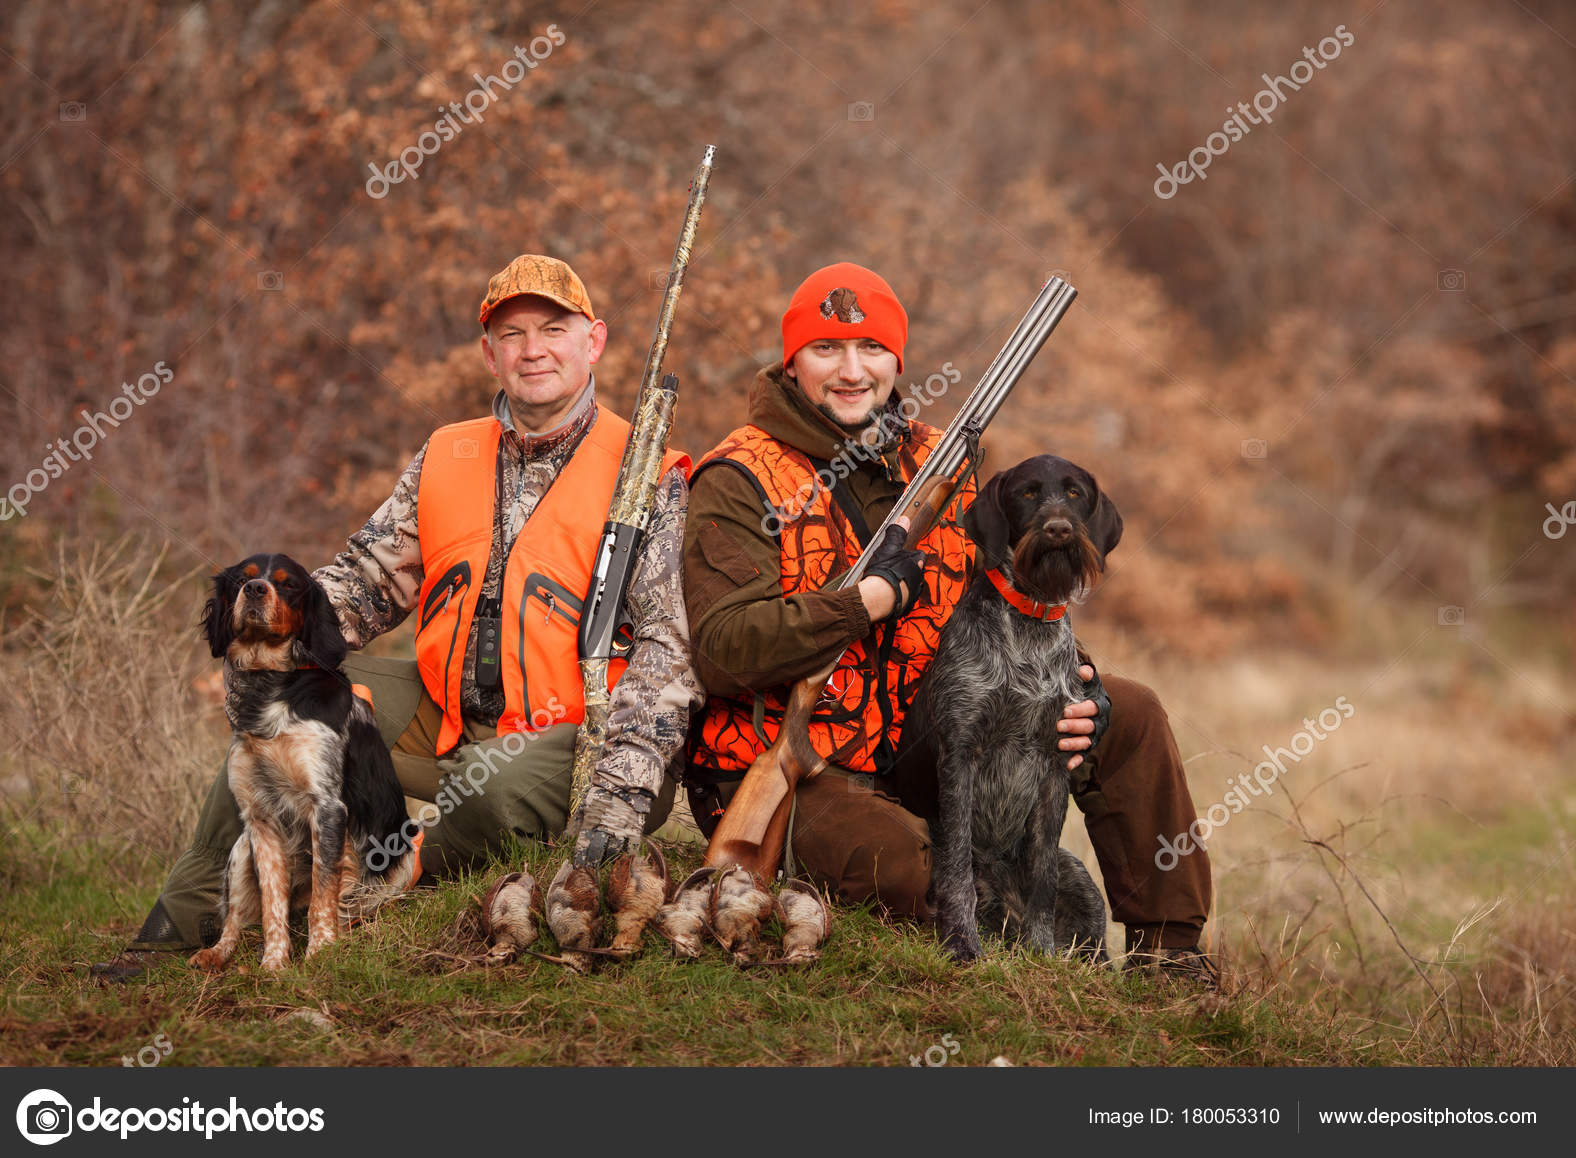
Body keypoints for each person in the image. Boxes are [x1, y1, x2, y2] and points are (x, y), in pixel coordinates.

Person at [93, 255, 702, 981]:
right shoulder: (448, 453)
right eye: (512, 334)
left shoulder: (647, 472)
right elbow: (364, 579)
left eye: (553, 329)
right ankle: (188, 917)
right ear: (489, 353)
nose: (532, 349)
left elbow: (669, 652)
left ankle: (374, 876)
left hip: (583, 738)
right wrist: (272, 633)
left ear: (593, 341)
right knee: (275, 714)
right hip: (445, 718)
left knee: (492, 785)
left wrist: (620, 794)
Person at [682, 261, 1215, 979]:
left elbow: (1008, 592)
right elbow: (721, 648)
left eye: (871, 349)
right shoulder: (739, 476)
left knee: (1135, 711)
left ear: (896, 361)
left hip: (920, 743)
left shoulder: (940, 461)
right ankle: (1004, 911)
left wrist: (1079, 679)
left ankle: (1169, 957)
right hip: (800, 763)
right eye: (826, 349)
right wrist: (863, 601)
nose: (851, 370)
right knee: (927, 876)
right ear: (791, 360)